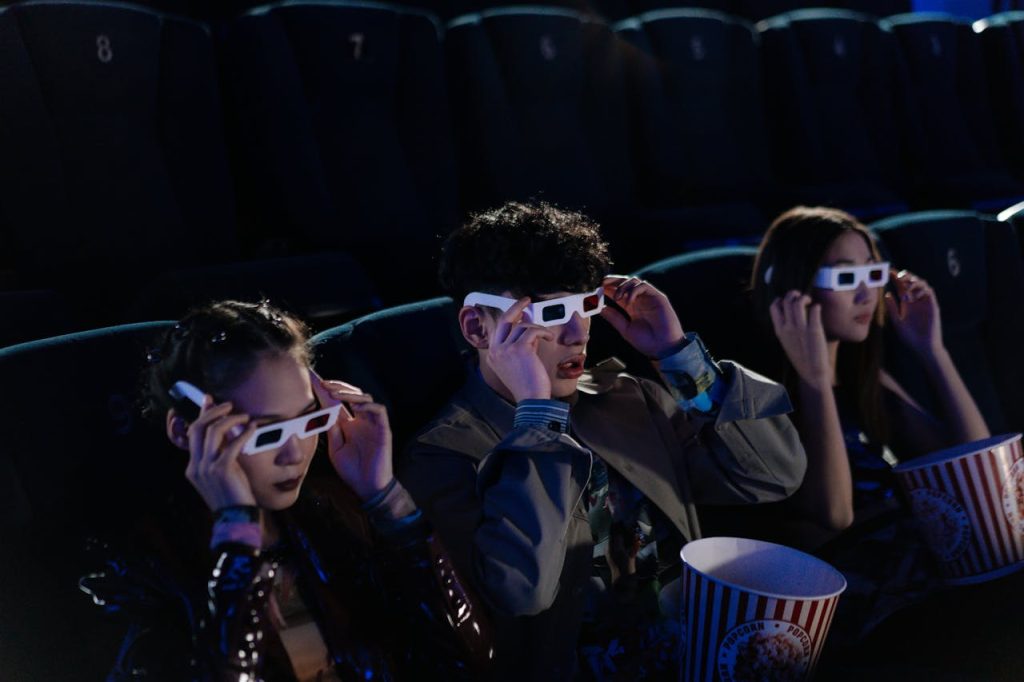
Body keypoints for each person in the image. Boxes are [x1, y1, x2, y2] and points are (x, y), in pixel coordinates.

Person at [400, 201, 808, 681]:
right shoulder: (443, 453)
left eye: (586, 306)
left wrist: (680, 357)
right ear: (477, 328)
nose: (578, 335)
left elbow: (774, 475)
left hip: (700, 653)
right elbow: (519, 593)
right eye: (553, 313)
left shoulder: (628, 399)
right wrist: (537, 417)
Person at [80, 300, 492, 681]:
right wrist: (238, 545)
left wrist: (387, 499)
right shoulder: (138, 560)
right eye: (269, 433)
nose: (294, 453)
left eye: (307, 423)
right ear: (189, 430)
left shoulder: (334, 510)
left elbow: (465, 662)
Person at [749, 206, 991, 642]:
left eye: (872, 274)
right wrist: (816, 382)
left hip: (920, 571)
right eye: (845, 278)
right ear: (794, 291)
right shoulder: (763, 397)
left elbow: (974, 473)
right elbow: (835, 515)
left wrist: (932, 351)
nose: (866, 295)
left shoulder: (865, 378)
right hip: (859, 603)